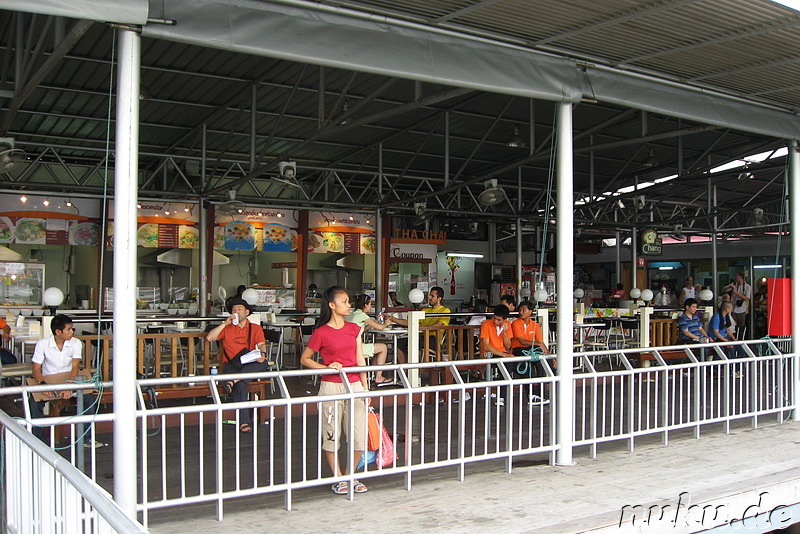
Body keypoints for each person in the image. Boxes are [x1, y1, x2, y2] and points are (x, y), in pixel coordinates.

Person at [299, 286, 370, 495]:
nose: (348, 305)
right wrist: (326, 367)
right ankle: (338, 477)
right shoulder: (321, 333)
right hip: (330, 385)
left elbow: (360, 359)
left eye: (348, 301)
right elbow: (305, 359)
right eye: (344, 301)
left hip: (355, 383)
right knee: (331, 434)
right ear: (332, 305)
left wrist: (366, 388)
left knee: (359, 436)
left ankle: (351, 475)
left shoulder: (354, 329)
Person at [29, 314, 101, 446]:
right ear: (58, 332)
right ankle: (38, 440)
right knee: (33, 402)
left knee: (89, 398)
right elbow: (36, 369)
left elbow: (75, 367)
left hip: (70, 379)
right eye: (68, 329)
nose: (72, 332)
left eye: (72, 329)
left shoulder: (76, 343)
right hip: (48, 380)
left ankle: (87, 438)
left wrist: (69, 386)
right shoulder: (43, 344)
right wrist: (43, 385)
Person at [206, 297, 269, 434]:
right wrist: (224, 324)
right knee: (241, 384)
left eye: (239, 309)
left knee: (263, 363)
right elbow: (210, 338)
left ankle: (233, 381)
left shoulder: (255, 328)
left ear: (247, 312)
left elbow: (261, 343)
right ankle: (244, 421)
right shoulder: (227, 328)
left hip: (249, 364)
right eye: (234, 310)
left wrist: (262, 353)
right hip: (232, 364)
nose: (236, 312)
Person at [389, 286, 451, 363]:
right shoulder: (425, 310)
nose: (429, 298)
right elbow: (412, 322)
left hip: (433, 339)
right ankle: (405, 371)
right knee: (398, 343)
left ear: (439, 298)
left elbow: (438, 325)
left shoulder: (445, 310)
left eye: (432, 296)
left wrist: (421, 328)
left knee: (415, 344)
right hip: (421, 336)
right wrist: (393, 319)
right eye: (429, 295)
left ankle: (415, 371)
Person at [345, 294, 394, 385]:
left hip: (347, 346)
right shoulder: (362, 315)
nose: (371, 306)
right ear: (365, 305)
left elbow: (363, 328)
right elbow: (380, 327)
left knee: (377, 349)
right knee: (383, 347)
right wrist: (386, 323)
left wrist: (374, 322)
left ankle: (375, 375)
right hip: (355, 348)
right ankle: (378, 377)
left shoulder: (352, 314)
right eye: (370, 304)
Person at [510, 300, 551, 404]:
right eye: (520, 310)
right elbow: (522, 340)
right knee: (528, 370)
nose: (521, 312)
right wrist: (539, 344)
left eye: (524, 310)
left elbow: (541, 342)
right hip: (518, 349)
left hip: (532, 349)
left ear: (530, 311)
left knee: (542, 363)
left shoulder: (535, 325)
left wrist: (550, 356)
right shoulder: (516, 323)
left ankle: (541, 394)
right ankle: (531, 395)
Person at [726, 272, 752, 339]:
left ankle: (740, 338)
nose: (735, 277)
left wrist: (737, 293)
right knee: (733, 325)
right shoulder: (734, 284)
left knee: (741, 326)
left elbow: (747, 298)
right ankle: (733, 338)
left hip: (741, 309)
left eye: (736, 276)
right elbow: (724, 290)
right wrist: (729, 287)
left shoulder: (747, 287)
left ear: (740, 277)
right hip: (733, 309)